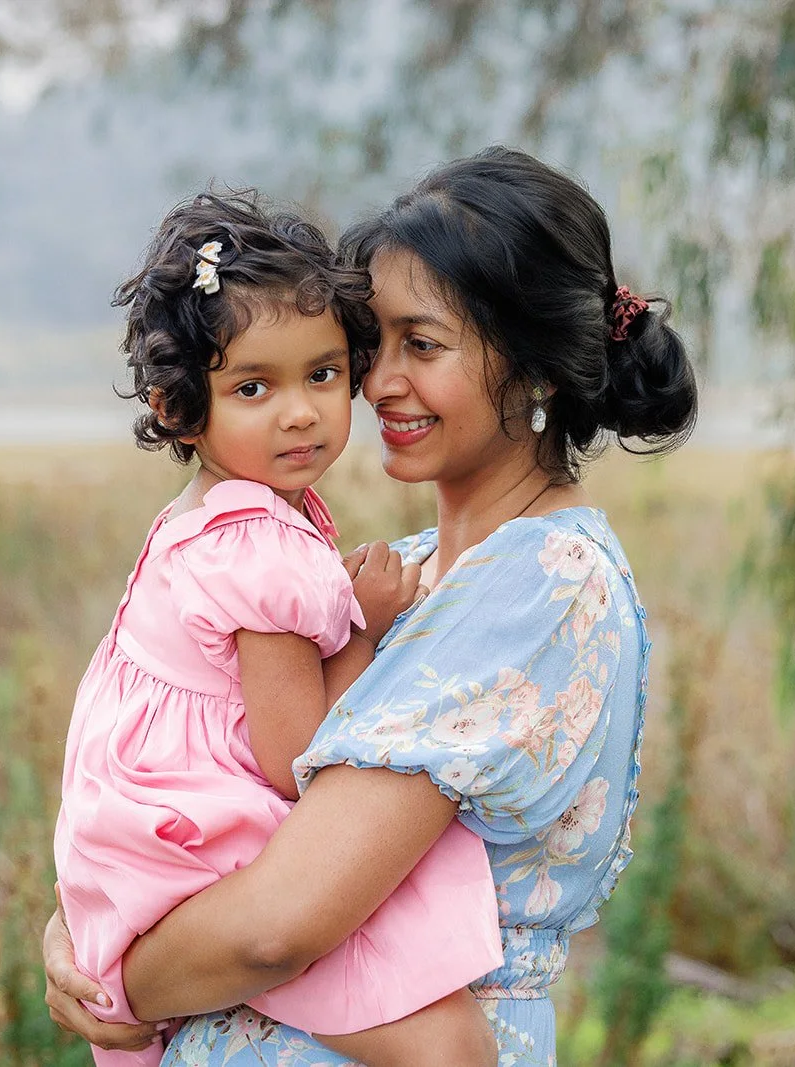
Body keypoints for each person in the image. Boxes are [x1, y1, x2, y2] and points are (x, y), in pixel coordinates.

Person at [43, 146, 699, 1065]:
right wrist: (85, 921)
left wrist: (119, 976)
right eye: (371, 345)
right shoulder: (416, 570)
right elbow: (226, 803)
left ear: (539, 370)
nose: (376, 381)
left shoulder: (539, 586)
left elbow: (273, 927)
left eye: (421, 346)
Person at [52, 190, 506, 1067]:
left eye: (323, 375)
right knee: (452, 1044)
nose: (300, 412)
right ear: (181, 408)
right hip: (202, 841)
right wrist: (366, 630)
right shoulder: (265, 546)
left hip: (135, 838)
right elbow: (291, 752)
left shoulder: (210, 515)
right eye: (253, 387)